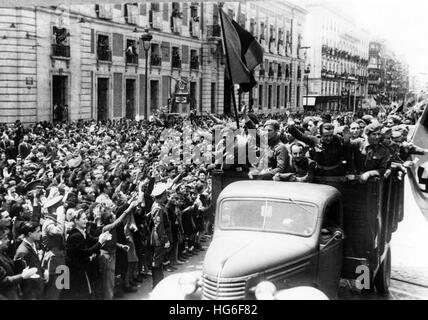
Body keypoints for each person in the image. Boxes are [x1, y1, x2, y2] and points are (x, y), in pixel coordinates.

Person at [65, 210, 110, 299]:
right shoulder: (75, 235)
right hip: (77, 270)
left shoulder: (82, 231)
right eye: (83, 219)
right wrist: (100, 242)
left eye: (86, 218)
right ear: (76, 221)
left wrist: (102, 237)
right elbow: (85, 252)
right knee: (82, 293)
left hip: (83, 267)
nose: (86, 221)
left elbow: (92, 240)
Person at [0, 225, 38, 300]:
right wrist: (22, 276)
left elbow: (9, 266)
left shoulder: (2, 252)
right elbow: (3, 281)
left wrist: (22, 265)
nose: (8, 240)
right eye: (5, 238)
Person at [14, 221, 45, 300]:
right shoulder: (22, 251)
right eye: (38, 231)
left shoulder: (34, 244)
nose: (41, 233)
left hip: (38, 287)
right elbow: (22, 276)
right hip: (31, 292)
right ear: (30, 234)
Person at [149, 183, 170, 289]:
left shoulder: (159, 205)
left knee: (159, 262)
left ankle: (159, 282)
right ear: (161, 195)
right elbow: (159, 226)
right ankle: (156, 284)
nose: (166, 196)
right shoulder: (158, 208)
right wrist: (164, 239)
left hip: (158, 237)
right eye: (165, 194)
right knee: (157, 262)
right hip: (158, 239)